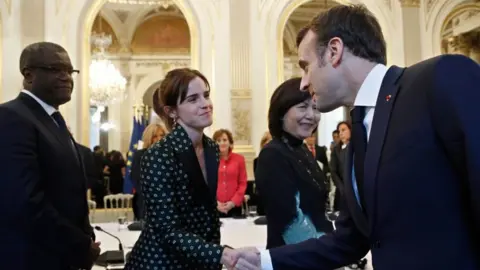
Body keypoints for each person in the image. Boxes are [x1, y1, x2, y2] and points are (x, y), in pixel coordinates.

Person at [234, 4, 480, 270]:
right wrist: (264, 261)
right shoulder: (357, 140)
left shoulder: (438, 78)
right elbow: (350, 240)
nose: (303, 82)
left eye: (306, 67)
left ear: (334, 51)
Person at [0, 42, 100, 270]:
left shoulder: (53, 120)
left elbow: (67, 193)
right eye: (56, 69)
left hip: (62, 256)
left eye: (69, 71)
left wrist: (86, 237)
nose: (67, 77)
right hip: (33, 258)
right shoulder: (10, 117)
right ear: (29, 75)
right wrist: (79, 245)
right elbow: (25, 202)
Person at [124, 68, 236, 270]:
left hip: (200, 261)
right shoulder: (158, 155)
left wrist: (214, 258)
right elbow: (166, 231)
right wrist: (220, 254)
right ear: (171, 111)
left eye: (206, 95)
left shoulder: (211, 148)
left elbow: (208, 216)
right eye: (193, 99)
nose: (205, 104)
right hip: (160, 262)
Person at [255, 77, 333, 249]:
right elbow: (290, 221)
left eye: (315, 107)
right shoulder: (272, 154)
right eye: (302, 107)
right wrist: (325, 252)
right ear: (282, 112)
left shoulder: (301, 149)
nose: (311, 116)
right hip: (296, 257)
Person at [131, 123, 166, 220]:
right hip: (146, 204)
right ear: (148, 138)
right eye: (155, 136)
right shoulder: (140, 155)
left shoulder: (169, 155)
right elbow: (136, 179)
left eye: (162, 135)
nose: (159, 139)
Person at [213, 128, 248, 218]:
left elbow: (242, 183)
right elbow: (207, 184)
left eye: (225, 140)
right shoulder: (210, 160)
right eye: (218, 140)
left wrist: (233, 202)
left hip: (235, 206)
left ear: (230, 142)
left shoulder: (239, 159)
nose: (222, 143)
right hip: (216, 207)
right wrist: (216, 203)